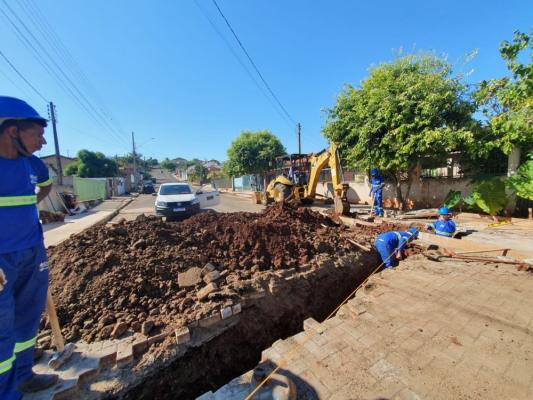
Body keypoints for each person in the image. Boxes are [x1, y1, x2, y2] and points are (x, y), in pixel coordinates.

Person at [0, 96, 58, 399]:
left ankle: (24, 376)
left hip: (32, 251)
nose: (43, 140)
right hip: (1, 260)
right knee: (1, 327)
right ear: (12, 131)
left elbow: (47, 184)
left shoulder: (33, 164)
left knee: (26, 317)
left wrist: (31, 203)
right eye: (37, 134)